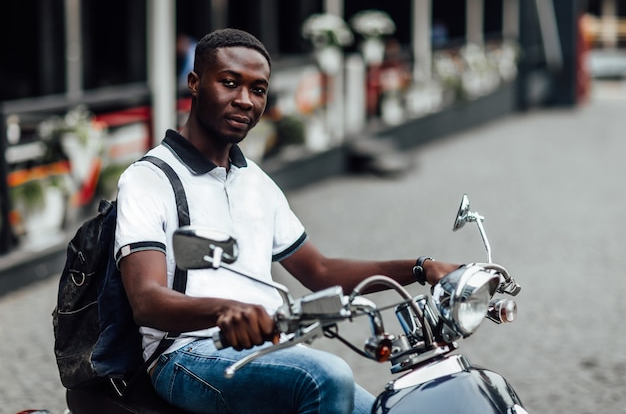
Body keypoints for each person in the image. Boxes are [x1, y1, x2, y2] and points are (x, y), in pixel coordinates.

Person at [115, 28, 459, 414]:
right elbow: (146, 300)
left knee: (390, 410)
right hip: (185, 355)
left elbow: (320, 270)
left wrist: (422, 267)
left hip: (267, 349)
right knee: (326, 375)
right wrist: (223, 309)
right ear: (194, 83)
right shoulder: (149, 177)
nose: (244, 100)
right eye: (229, 84)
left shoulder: (255, 181)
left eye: (258, 90)